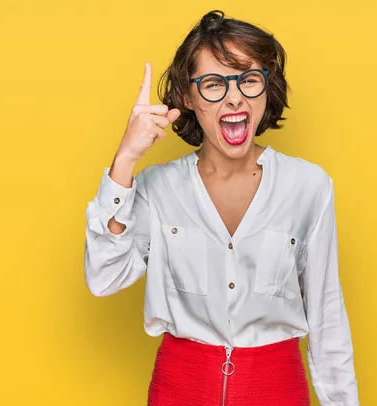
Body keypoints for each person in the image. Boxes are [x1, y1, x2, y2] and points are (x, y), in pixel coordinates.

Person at [84, 10, 360, 406]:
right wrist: (125, 160)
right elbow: (102, 277)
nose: (234, 96)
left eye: (249, 79)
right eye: (213, 83)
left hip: (278, 390)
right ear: (188, 96)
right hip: (178, 390)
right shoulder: (157, 188)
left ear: (267, 88)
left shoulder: (309, 186)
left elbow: (327, 319)